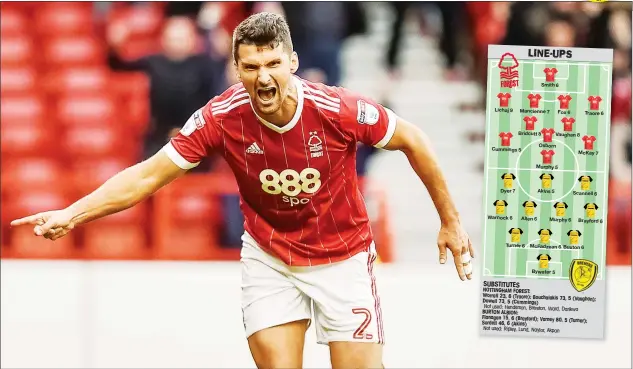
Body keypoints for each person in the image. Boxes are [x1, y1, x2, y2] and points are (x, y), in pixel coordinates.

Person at [11, 13, 474, 369]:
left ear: (292, 62)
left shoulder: (337, 108)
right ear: (237, 68)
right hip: (270, 258)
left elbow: (415, 140)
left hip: (342, 258)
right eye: (251, 66)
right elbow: (149, 175)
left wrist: (450, 220)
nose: (264, 77)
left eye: (274, 63)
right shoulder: (221, 117)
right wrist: (74, 213)